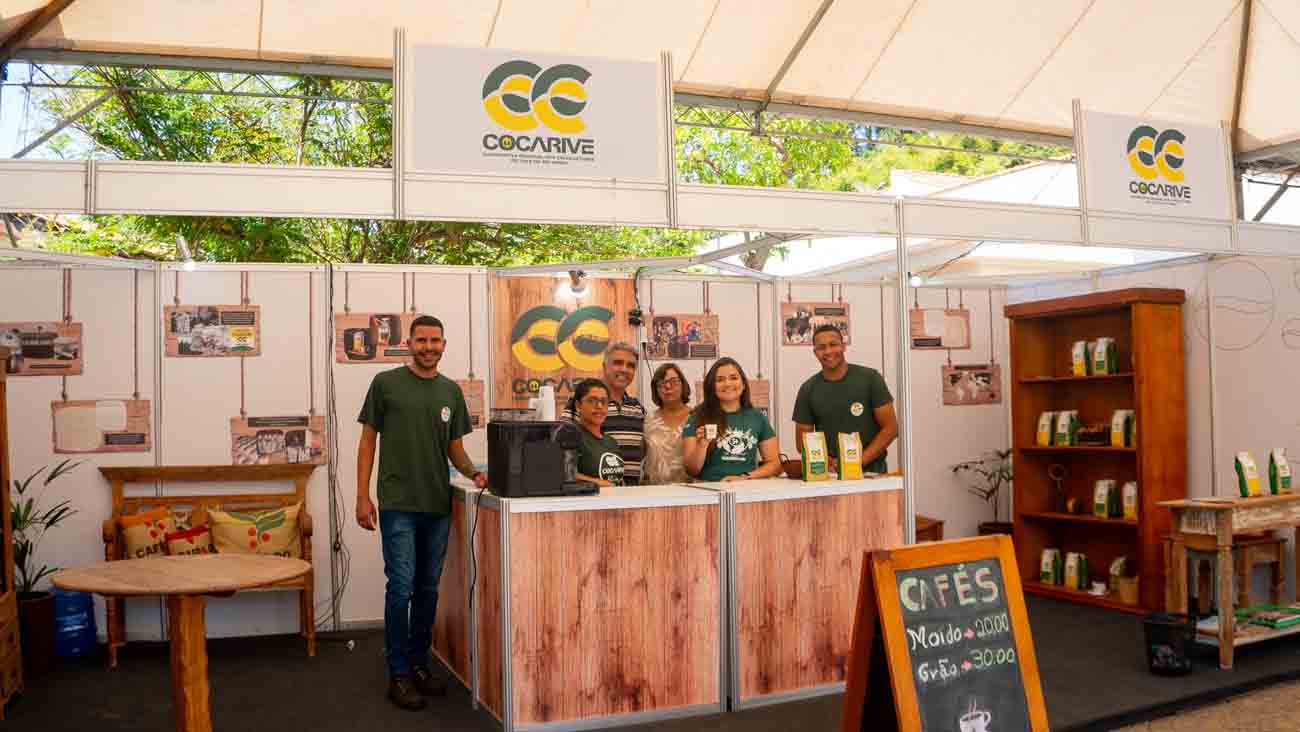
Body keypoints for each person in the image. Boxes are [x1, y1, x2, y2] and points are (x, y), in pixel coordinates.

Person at [355, 314, 489, 711]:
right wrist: (362, 496)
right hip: (398, 504)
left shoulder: (450, 391)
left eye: (435, 341)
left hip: (437, 505)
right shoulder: (385, 384)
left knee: (428, 589)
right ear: (410, 343)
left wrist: (474, 472)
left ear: (444, 345)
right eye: (422, 340)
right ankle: (398, 673)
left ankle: (418, 663)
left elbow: (454, 448)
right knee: (401, 587)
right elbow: (367, 443)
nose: (428, 347)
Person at [792, 323, 898, 474]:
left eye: (833, 344)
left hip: (871, 474)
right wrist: (828, 462)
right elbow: (802, 442)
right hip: (830, 476)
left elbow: (891, 428)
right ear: (815, 352)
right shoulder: (808, 389)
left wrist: (859, 461)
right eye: (821, 347)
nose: (828, 351)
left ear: (843, 346)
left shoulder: (870, 379)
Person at [682, 357, 782, 482]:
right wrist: (702, 445)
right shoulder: (696, 417)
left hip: (746, 488)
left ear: (744, 384)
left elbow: (776, 464)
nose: (727, 384)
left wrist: (745, 477)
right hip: (707, 489)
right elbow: (691, 470)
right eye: (720, 380)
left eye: (733, 378)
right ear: (711, 387)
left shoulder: (757, 417)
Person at [561, 342, 646, 484]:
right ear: (604, 367)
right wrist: (594, 483)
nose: (624, 369)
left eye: (630, 365)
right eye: (618, 363)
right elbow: (560, 456)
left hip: (629, 491)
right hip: (594, 493)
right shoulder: (579, 402)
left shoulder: (637, 408)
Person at [642, 363, 691, 484]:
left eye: (673, 382)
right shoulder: (648, 420)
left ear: (683, 384)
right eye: (661, 383)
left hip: (690, 490)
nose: (668, 387)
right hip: (655, 491)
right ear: (656, 389)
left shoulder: (697, 418)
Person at [572, 378, 626, 487]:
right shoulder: (571, 437)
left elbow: (618, 480)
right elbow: (563, 473)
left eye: (604, 401)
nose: (599, 406)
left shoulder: (611, 442)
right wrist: (597, 483)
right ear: (578, 405)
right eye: (592, 400)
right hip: (589, 498)